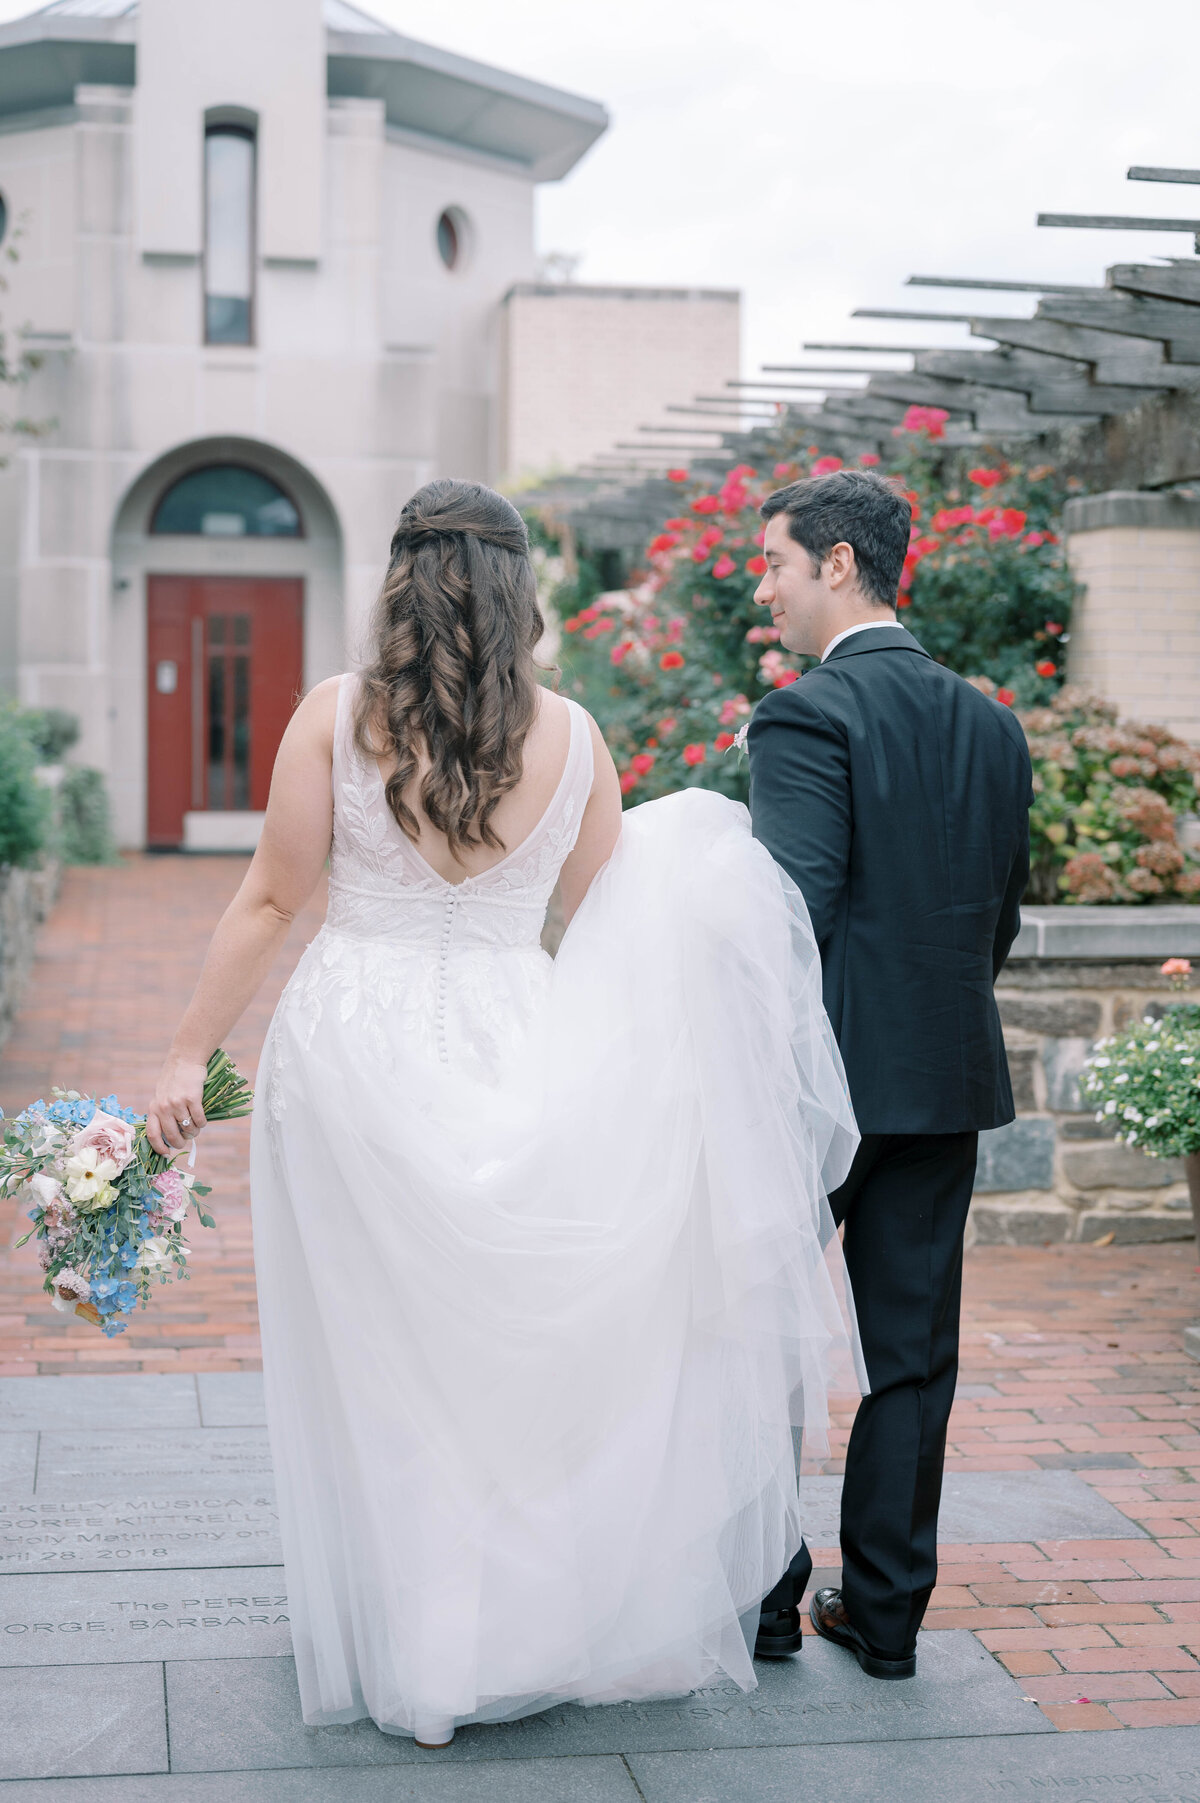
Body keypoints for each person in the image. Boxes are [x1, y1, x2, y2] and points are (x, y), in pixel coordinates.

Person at [147, 478, 863, 1749]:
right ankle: (504, 1627)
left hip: (350, 1046)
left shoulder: (333, 718)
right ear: (518, 587)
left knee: (374, 1356)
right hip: (515, 1038)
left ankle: (413, 1631)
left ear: (401, 578)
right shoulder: (578, 738)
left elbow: (268, 901)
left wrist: (183, 1057)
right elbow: (600, 932)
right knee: (502, 1362)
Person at [747, 467, 1033, 1679]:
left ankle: (762, 1601)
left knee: (757, 1334)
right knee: (911, 1352)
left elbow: (789, 917)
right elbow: (1001, 918)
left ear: (840, 565)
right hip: (944, 1076)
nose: (765, 592)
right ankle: (888, 1614)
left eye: (775, 564)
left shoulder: (807, 715)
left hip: (817, 1091)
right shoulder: (991, 722)